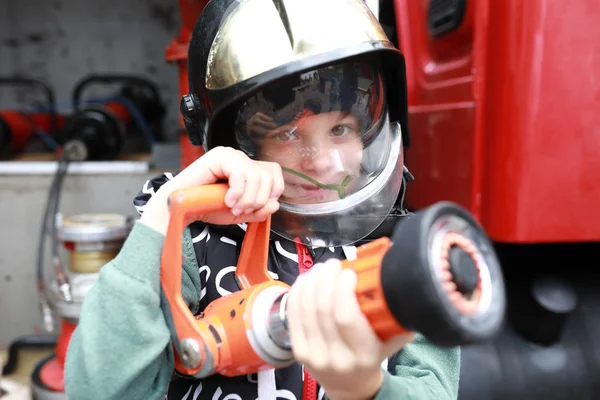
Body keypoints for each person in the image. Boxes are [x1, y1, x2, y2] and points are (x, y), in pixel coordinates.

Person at [65, 0, 460, 399]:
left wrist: (363, 388)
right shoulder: (191, 242)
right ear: (239, 145)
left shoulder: (403, 253)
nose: (324, 163)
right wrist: (166, 211)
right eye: (289, 135)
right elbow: (99, 388)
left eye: (341, 129)